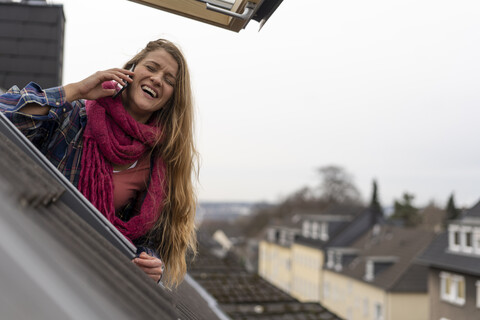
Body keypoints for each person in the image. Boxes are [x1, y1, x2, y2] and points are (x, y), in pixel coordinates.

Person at [0, 39, 198, 287]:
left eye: (169, 80)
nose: (157, 79)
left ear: (171, 98)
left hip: (88, 278)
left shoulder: (160, 163)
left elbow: (151, 241)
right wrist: (76, 90)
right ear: (132, 70)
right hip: (29, 252)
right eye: (152, 67)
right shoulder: (75, 115)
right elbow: (7, 118)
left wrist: (152, 264)